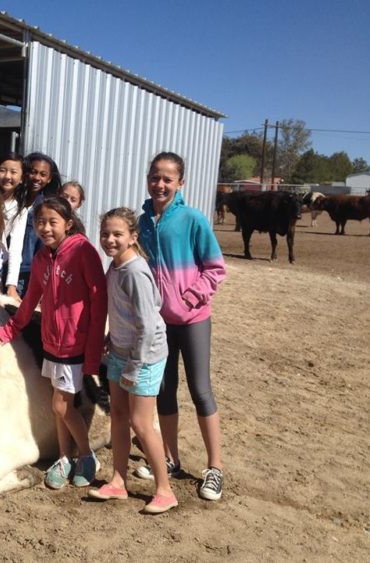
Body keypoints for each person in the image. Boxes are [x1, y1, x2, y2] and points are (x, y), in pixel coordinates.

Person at [0, 196, 107, 489]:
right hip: (51, 342)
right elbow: (30, 301)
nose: (46, 228)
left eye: (53, 222)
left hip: (74, 344)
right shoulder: (42, 258)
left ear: (68, 223)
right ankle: (65, 457)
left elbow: (99, 301)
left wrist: (92, 351)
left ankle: (87, 455)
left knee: (61, 405)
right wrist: (11, 328)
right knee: (59, 406)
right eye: (40, 222)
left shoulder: (83, 252)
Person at [135, 151, 227, 501]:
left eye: (167, 179)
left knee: (201, 390)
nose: (160, 184)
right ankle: (171, 458)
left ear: (180, 183)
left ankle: (214, 467)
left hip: (192, 320)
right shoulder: (142, 222)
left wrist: (192, 297)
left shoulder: (192, 219)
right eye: (154, 177)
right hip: (158, 323)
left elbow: (215, 267)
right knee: (164, 389)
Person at [88, 208, 177, 514]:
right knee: (119, 417)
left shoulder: (136, 271)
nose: (110, 240)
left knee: (141, 422)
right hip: (121, 351)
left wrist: (134, 367)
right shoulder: (114, 267)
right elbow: (123, 314)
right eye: (105, 234)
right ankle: (117, 481)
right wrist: (111, 338)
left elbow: (149, 324)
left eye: (117, 234)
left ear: (132, 237)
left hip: (145, 357)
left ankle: (165, 490)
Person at [5, 152, 63, 298]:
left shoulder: (45, 207)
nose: (37, 178)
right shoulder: (14, 199)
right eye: (33, 172)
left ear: (49, 179)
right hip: (3, 265)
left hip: (26, 271)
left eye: (43, 174)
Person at [0, 153, 27, 298]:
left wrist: (11, 285)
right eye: (3, 170)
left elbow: (15, 247)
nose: (7, 176)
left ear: (21, 179)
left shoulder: (20, 209)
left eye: (13, 172)